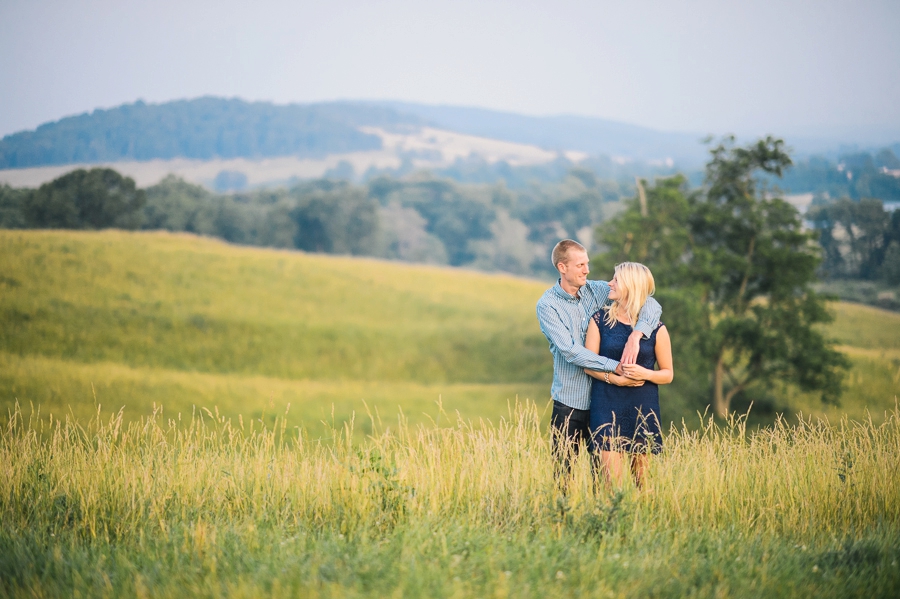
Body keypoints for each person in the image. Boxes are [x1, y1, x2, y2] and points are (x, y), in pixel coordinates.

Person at [536, 240, 661, 477]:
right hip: (570, 403)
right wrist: (617, 368)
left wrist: (637, 335)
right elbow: (571, 351)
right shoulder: (547, 305)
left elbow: (649, 302)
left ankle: (603, 515)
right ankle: (564, 515)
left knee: (602, 479)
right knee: (564, 476)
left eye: (587, 264)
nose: (587, 270)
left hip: (604, 403)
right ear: (562, 268)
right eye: (581, 265)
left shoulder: (597, 290)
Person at [584, 262, 673, 489]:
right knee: (611, 487)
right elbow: (588, 364)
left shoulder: (657, 328)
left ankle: (643, 524)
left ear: (631, 286)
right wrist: (613, 377)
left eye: (616, 280)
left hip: (643, 409)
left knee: (645, 487)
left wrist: (645, 373)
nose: (610, 283)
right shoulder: (599, 320)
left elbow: (667, 374)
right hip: (606, 406)